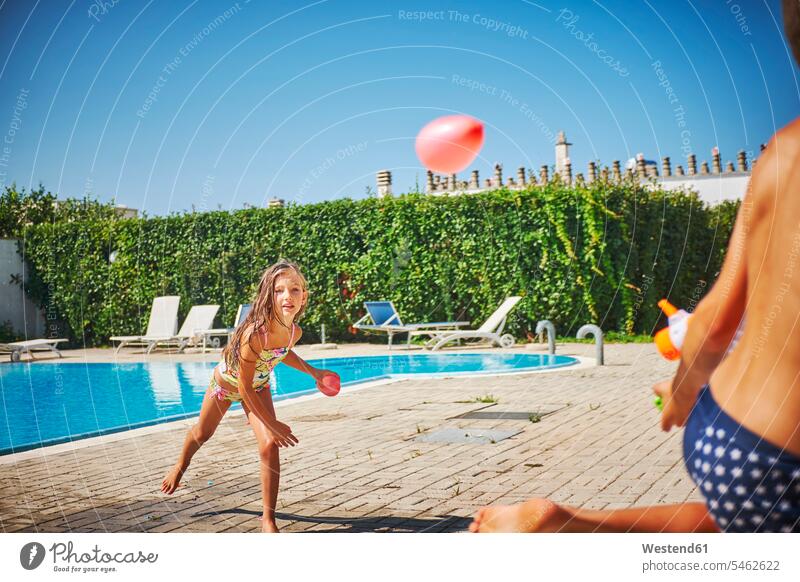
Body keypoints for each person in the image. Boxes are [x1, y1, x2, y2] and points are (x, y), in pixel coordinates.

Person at [470, 0, 800, 534]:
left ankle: (572, 523)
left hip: (732, 431)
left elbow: (714, 317)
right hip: (781, 452)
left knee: (735, 522)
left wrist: (682, 391)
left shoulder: (784, 153)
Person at [161, 260, 338, 533]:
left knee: (269, 445)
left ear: (304, 296)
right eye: (279, 290)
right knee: (202, 433)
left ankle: (268, 520)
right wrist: (271, 422)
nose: (287, 296)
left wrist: (313, 372)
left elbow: (282, 352)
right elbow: (242, 386)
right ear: (269, 296)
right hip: (228, 386)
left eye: (295, 289)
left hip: (259, 386)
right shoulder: (255, 332)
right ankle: (180, 465)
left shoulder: (294, 332)